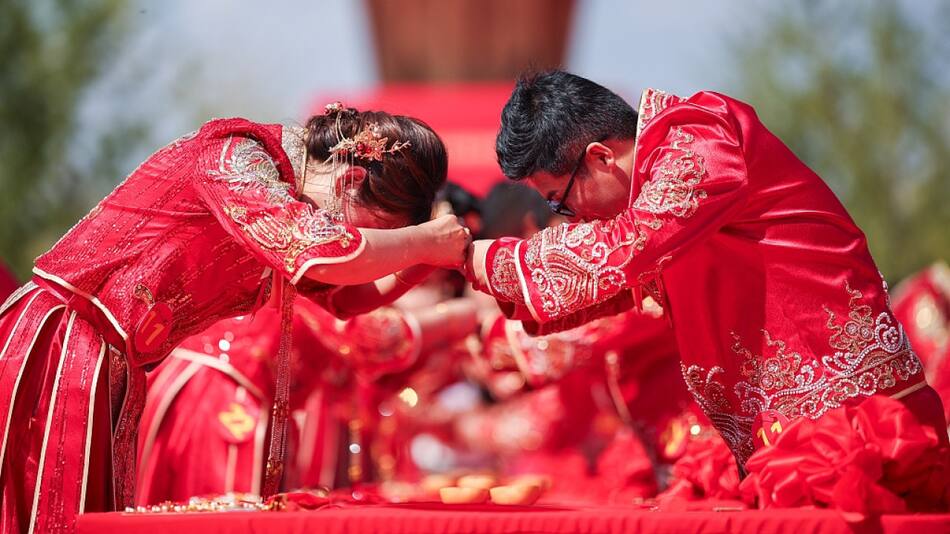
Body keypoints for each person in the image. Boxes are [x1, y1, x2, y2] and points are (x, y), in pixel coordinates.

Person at [465, 71, 948, 511]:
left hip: (862, 428)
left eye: (561, 203)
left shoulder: (697, 135)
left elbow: (627, 245)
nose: (572, 222)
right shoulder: (654, 194)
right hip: (793, 445)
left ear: (600, 157)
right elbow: (609, 286)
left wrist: (470, 257)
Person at [0, 104, 470, 532]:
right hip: (64, 343)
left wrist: (427, 261)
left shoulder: (291, 206)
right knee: (55, 516)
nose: (372, 243)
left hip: (109, 361)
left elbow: (347, 300)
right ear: (348, 184)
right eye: (381, 229)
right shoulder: (238, 157)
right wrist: (426, 244)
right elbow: (327, 259)